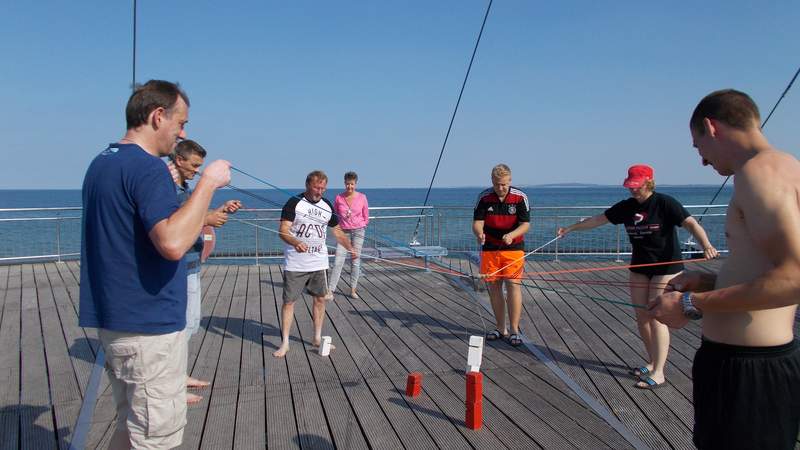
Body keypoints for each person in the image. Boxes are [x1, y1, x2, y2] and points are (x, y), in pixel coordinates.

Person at [79, 80, 231, 449]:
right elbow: (173, 243)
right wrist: (207, 184)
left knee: (130, 429)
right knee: (155, 439)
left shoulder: (102, 162)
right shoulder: (148, 169)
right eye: (181, 123)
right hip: (148, 330)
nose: (182, 134)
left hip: (115, 322)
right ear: (157, 116)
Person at [648, 89, 800, 449]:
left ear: (710, 127)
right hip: (758, 364)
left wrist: (691, 305)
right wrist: (711, 279)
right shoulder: (786, 166)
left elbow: (795, 277)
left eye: (699, 148)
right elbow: (773, 268)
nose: (703, 162)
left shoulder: (758, 173)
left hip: (749, 372)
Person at [558, 164, 717, 389]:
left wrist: (707, 245)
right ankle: (651, 362)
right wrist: (570, 228)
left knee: (657, 315)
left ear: (648, 183)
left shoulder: (665, 203)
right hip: (640, 265)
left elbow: (690, 223)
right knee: (642, 316)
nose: (633, 190)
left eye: (637, 186)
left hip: (666, 267)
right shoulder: (627, 207)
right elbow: (598, 219)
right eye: (630, 186)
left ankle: (659, 372)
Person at [170, 139, 242, 404]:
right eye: (195, 165)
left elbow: (195, 214)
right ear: (179, 160)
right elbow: (176, 222)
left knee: (191, 322)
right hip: (179, 266)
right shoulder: (170, 189)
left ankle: (179, 375)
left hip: (191, 262)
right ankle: (173, 384)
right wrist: (208, 219)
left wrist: (220, 210)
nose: (198, 170)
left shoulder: (183, 188)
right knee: (183, 325)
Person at [273, 170, 355, 358]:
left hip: (319, 262)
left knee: (320, 300)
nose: (320, 191)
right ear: (308, 185)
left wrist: (350, 248)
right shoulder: (294, 202)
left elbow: (338, 231)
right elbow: (283, 231)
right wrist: (295, 242)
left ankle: (317, 338)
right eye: (317, 187)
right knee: (289, 301)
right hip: (296, 263)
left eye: (323, 188)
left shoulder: (326, 205)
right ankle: (285, 343)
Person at [472, 164, 530, 346]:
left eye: (504, 184)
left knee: (513, 285)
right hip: (490, 248)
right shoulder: (484, 198)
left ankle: (514, 330)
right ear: (492, 182)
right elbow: (477, 222)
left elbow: (526, 224)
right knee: (495, 287)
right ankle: (500, 327)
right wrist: (479, 233)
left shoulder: (520, 198)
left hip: (513, 248)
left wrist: (511, 236)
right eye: (497, 184)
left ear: (510, 181)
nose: (501, 188)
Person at [326, 171, 369, 299]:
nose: (349, 186)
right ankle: (330, 290)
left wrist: (360, 224)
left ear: (355, 184)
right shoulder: (339, 198)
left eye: (352, 184)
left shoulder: (362, 197)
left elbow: (366, 216)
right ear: (344, 183)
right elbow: (334, 215)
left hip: (358, 232)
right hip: (343, 233)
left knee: (355, 261)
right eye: (347, 184)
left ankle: (353, 289)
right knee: (338, 261)